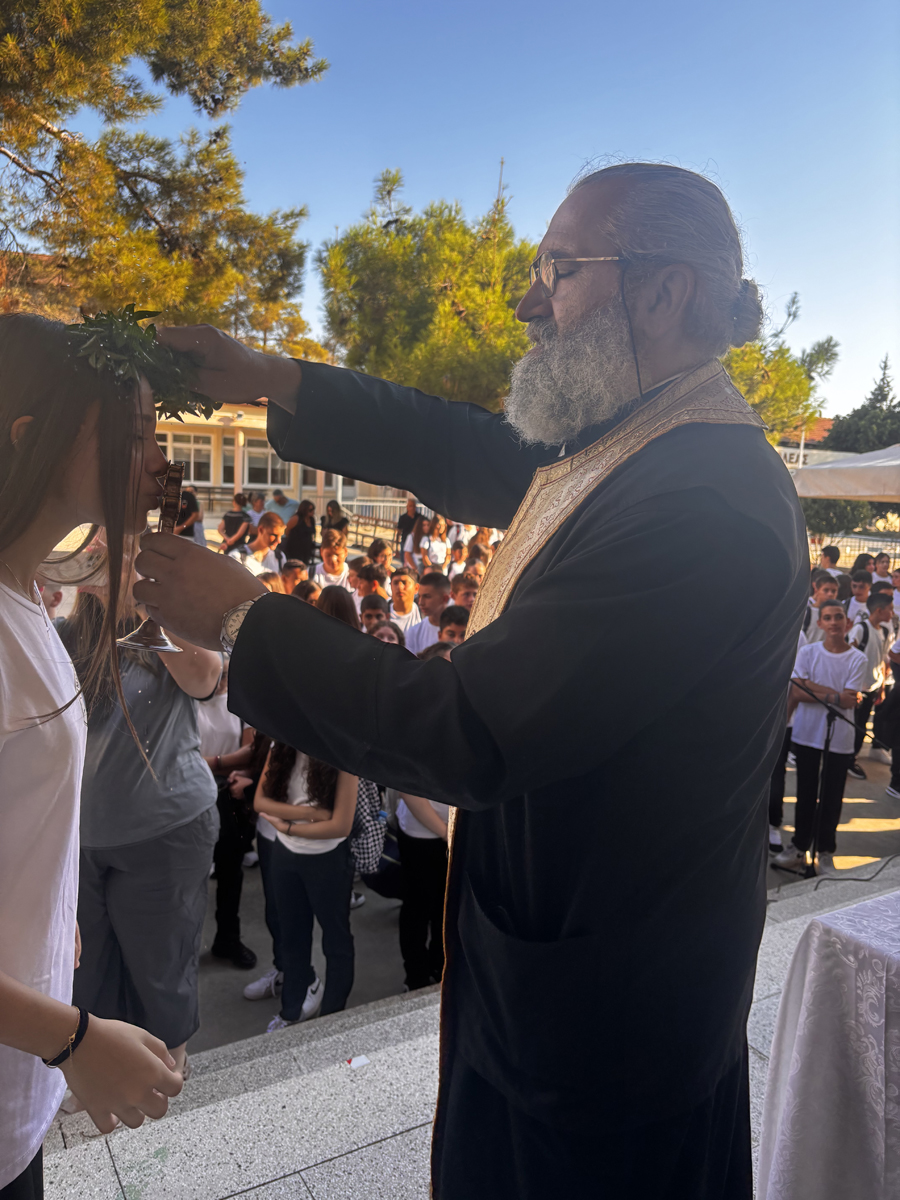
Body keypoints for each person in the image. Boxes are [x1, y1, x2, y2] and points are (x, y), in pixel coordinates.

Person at [138, 161, 808, 1200]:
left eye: (560, 270)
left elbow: (468, 728)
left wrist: (242, 620)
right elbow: (462, 444)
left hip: (607, 1030)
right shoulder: (638, 441)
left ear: (665, 292)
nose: (530, 301)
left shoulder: (702, 505)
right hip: (550, 985)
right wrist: (270, 376)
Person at [0, 314, 183, 1194]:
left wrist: (49, 900)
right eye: (134, 435)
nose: (160, 464)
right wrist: (74, 1039)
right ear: (28, 439)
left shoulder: (28, 592)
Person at [62, 585, 222, 1082]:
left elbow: (205, 678)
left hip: (166, 829)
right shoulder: (66, 634)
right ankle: (108, 1076)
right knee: (86, 972)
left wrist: (141, 603)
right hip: (80, 838)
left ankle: (166, 1077)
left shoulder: (164, 628)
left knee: (161, 969)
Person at [772, 600, 866, 875]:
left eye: (839, 616)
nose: (834, 622)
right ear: (820, 623)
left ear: (847, 622)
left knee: (832, 796)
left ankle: (825, 852)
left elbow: (850, 699)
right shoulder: (808, 652)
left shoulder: (857, 659)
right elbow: (798, 691)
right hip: (807, 733)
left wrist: (810, 688)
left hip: (840, 737)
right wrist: (835, 697)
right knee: (805, 793)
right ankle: (799, 846)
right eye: (828, 617)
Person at [198, 664, 257, 970]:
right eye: (216, 673)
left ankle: (228, 939)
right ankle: (186, 946)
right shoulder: (188, 701)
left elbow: (250, 752)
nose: (221, 679)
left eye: (225, 672)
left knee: (231, 872)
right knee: (191, 875)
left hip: (227, 794)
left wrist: (207, 762)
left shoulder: (239, 704)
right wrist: (224, 761)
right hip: (195, 794)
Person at [396, 790, 450, 990]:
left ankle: (440, 966)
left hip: (458, 831)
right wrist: (446, 833)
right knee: (417, 911)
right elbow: (407, 788)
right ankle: (416, 977)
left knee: (446, 908)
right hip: (420, 834)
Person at [846, 591, 893, 781]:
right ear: (879, 610)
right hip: (857, 688)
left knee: (862, 725)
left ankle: (852, 757)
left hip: (872, 688)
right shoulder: (860, 629)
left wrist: (881, 687)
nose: (892, 613)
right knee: (852, 725)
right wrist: (851, 687)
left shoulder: (885, 632)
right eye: (889, 609)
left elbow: (883, 661)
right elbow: (849, 656)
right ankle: (847, 759)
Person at [405, 572, 452, 655]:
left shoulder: (461, 631)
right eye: (419, 596)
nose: (421, 603)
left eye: (427, 596)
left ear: (444, 599)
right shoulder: (414, 632)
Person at [229, 512, 286, 577]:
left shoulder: (280, 557)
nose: (279, 540)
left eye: (281, 536)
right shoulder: (237, 557)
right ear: (261, 530)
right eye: (274, 535)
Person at [802, 572, 839, 643]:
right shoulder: (807, 613)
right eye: (826, 590)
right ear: (816, 590)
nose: (830, 594)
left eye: (833, 591)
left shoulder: (838, 615)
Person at [282, 499, 317, 566]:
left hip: (306, 548)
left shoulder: (311, 520)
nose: (312, 512)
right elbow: (287, 530)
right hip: (295, 548)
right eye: (310, 510)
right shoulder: (296, 518)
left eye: (313, 510)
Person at [389, 566, 423, 634]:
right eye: (395, 583)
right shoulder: (381, 613)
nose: (400, 587)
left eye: (404, 583)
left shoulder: (425, 615)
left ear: (416, 588)